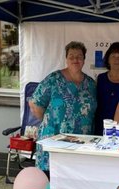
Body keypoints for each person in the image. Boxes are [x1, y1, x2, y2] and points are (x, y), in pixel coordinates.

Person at [29, 41, 97, 173]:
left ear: (84, 59)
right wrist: (51, 120)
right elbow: (34, 103)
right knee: (50, 182)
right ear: (66, 59)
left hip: (81, 144)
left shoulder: (91, 84)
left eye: (79, 56)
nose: (75, 59)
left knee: (75, 180)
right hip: (53, 141)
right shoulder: (53, 79)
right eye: (71, 56)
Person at [94, 42, 119, 135]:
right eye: (113, 56)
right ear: (108, 59)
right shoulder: (101, 78)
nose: (116, 60)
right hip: (101, 126)